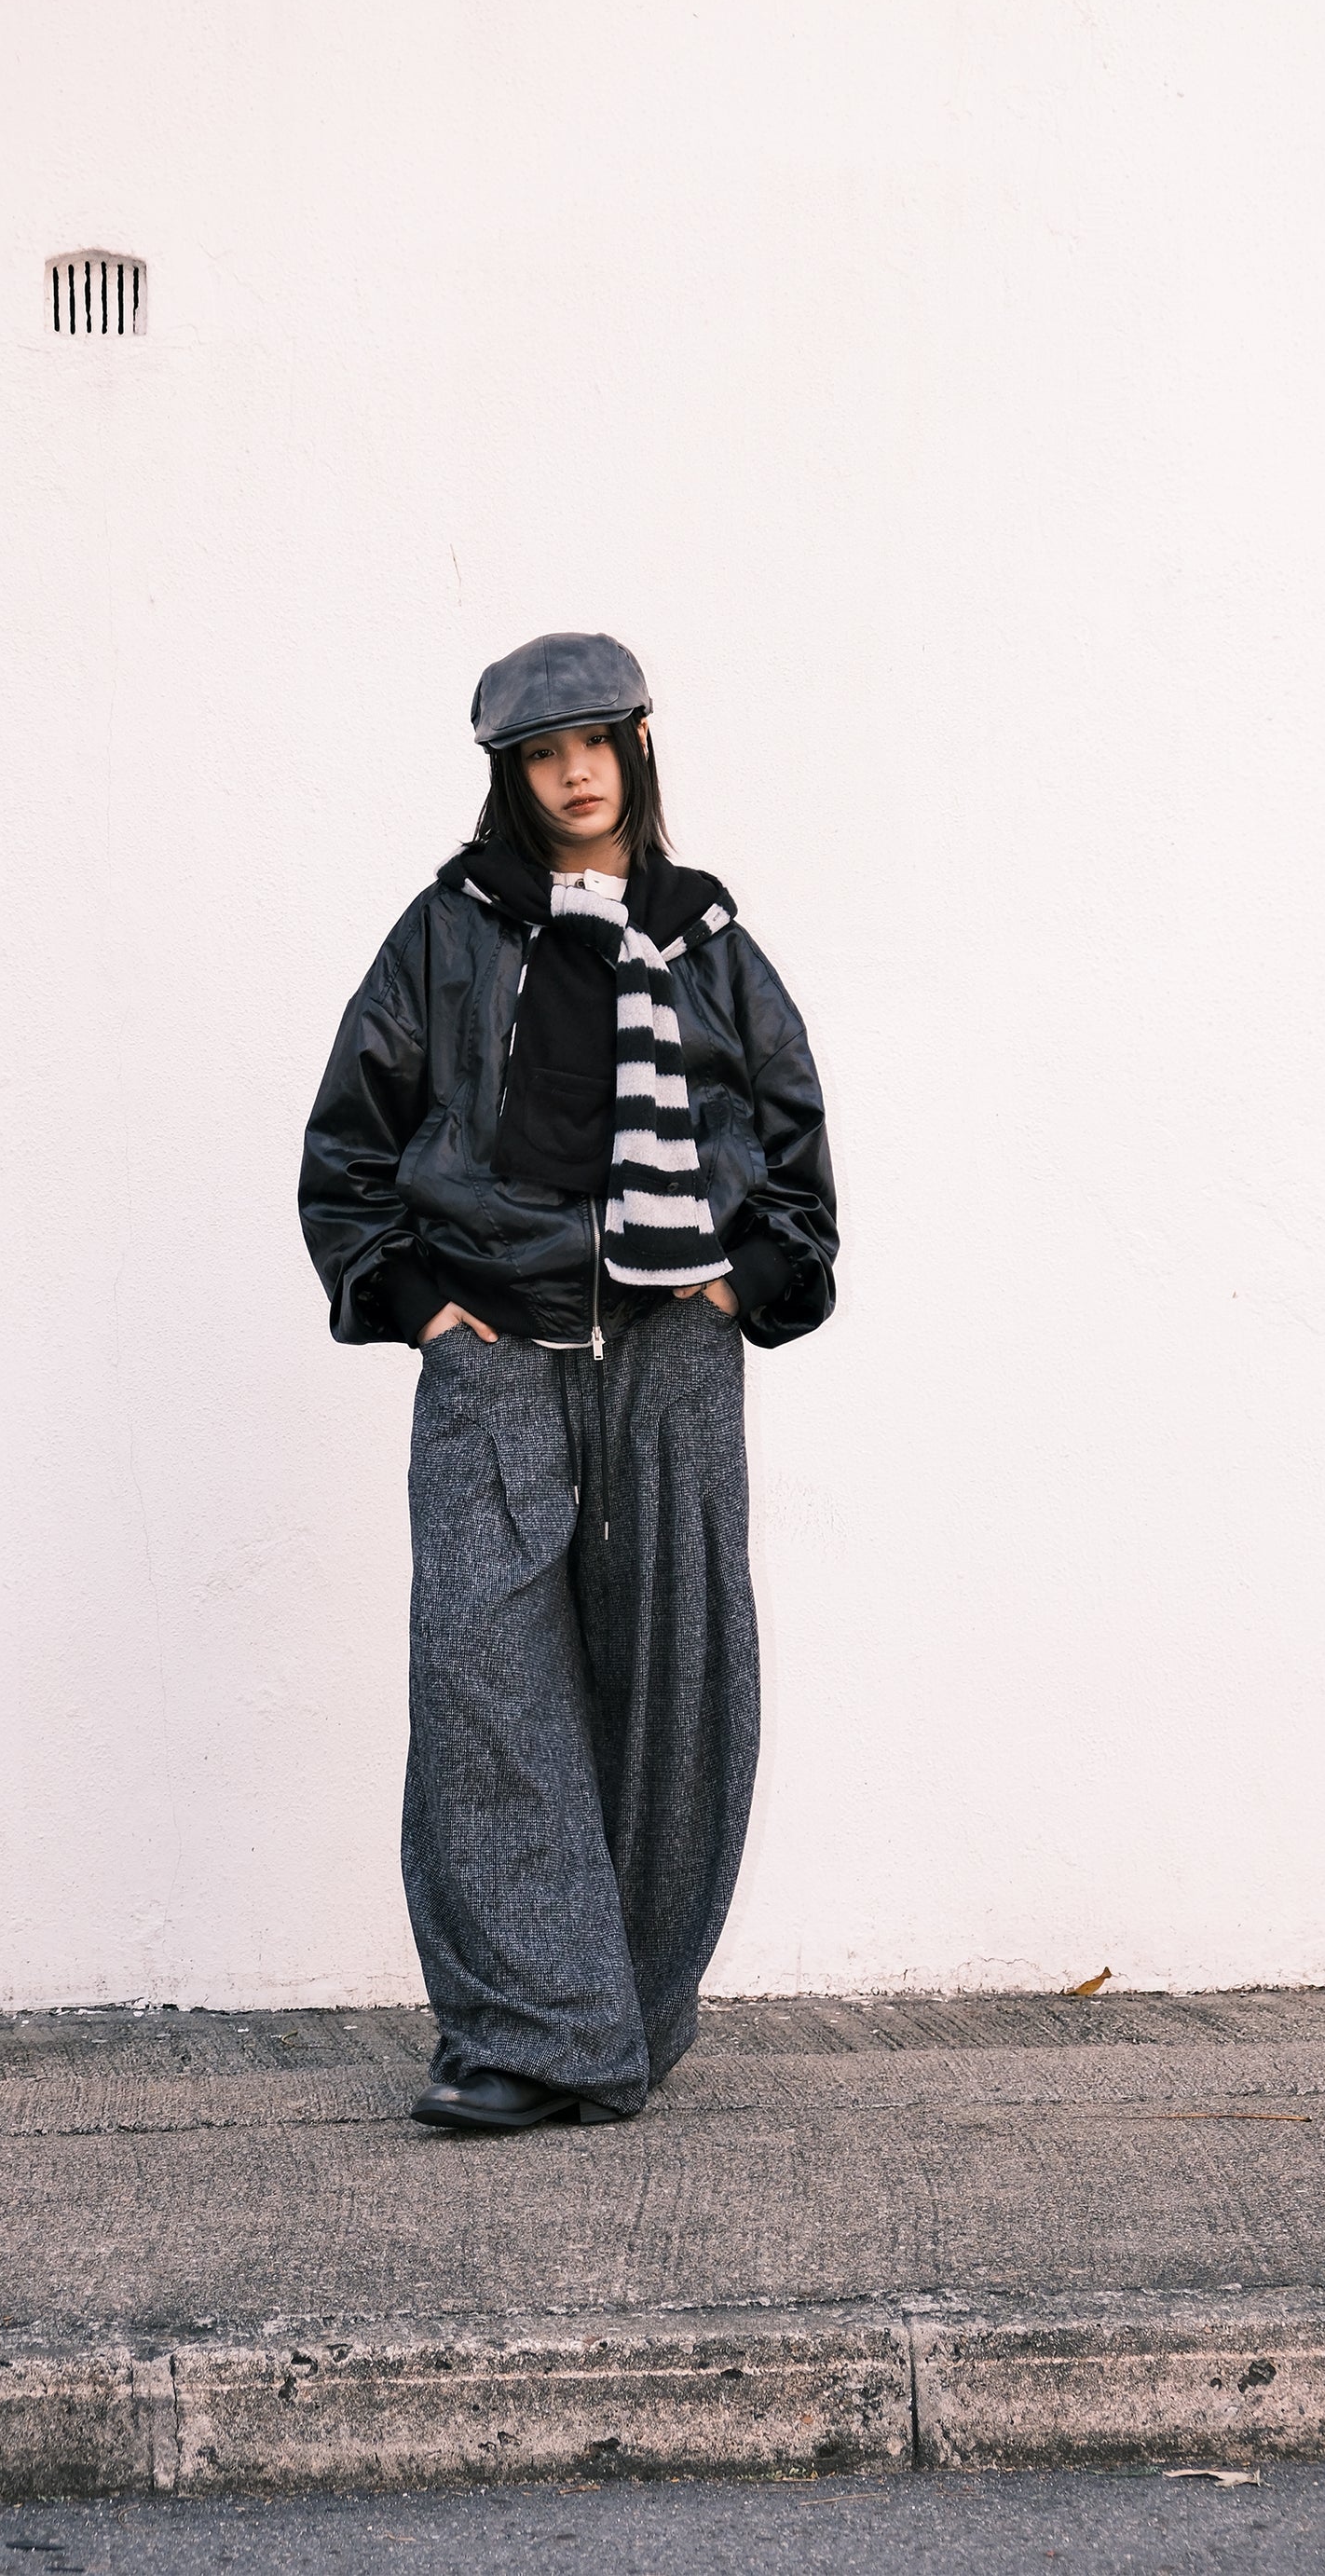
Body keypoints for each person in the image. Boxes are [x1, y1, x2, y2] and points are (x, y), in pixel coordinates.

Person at [298, 633, 836, 2131]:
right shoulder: (445, 932)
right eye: (541, 754)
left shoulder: (707, 939)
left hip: (670, 1348)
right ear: (509, 776)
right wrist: (418, 1305)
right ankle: (521, 2035)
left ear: (637, 747)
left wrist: (742, 1280)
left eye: (594, 742)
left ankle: (611, 2023)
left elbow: (792, 1142)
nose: (572, 773)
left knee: (675, 1681)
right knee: (483, 1682)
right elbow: (349, 1141)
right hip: (497, 1344)